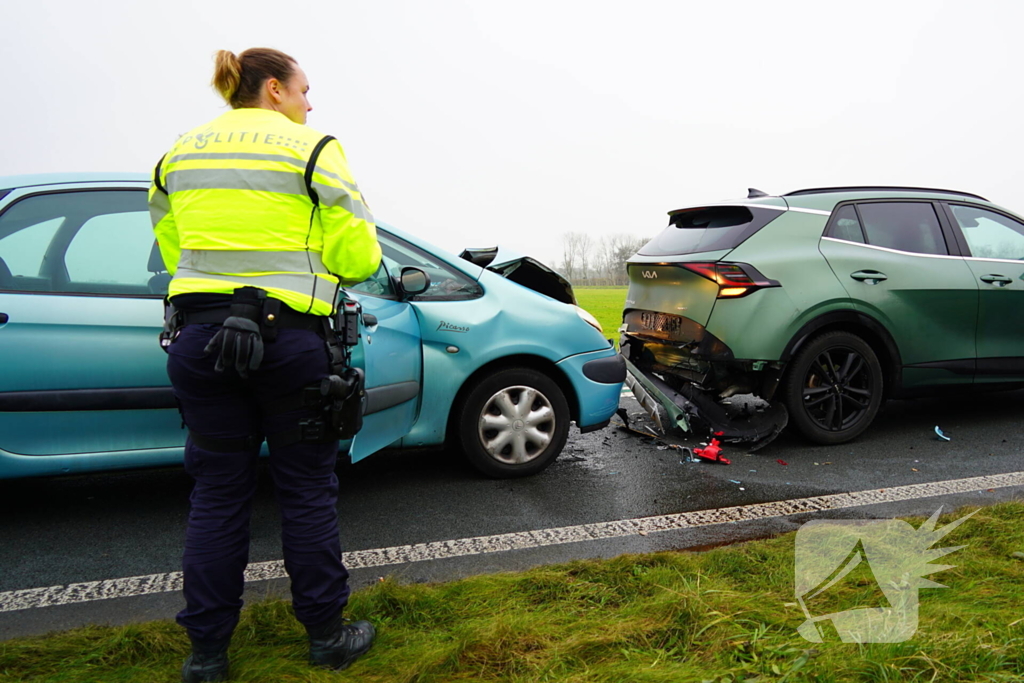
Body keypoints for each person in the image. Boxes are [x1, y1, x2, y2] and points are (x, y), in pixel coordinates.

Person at [149, 47, 382, 683]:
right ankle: (328, 638)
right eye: (306, 89)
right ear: (274, 89)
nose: (312, 103)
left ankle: (207, 656)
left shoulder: (180, 151)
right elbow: (359, 253)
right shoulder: (311, 147)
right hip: (288, 340)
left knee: (217, 492)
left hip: (199, 338)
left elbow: (171, 242)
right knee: (305, 490)